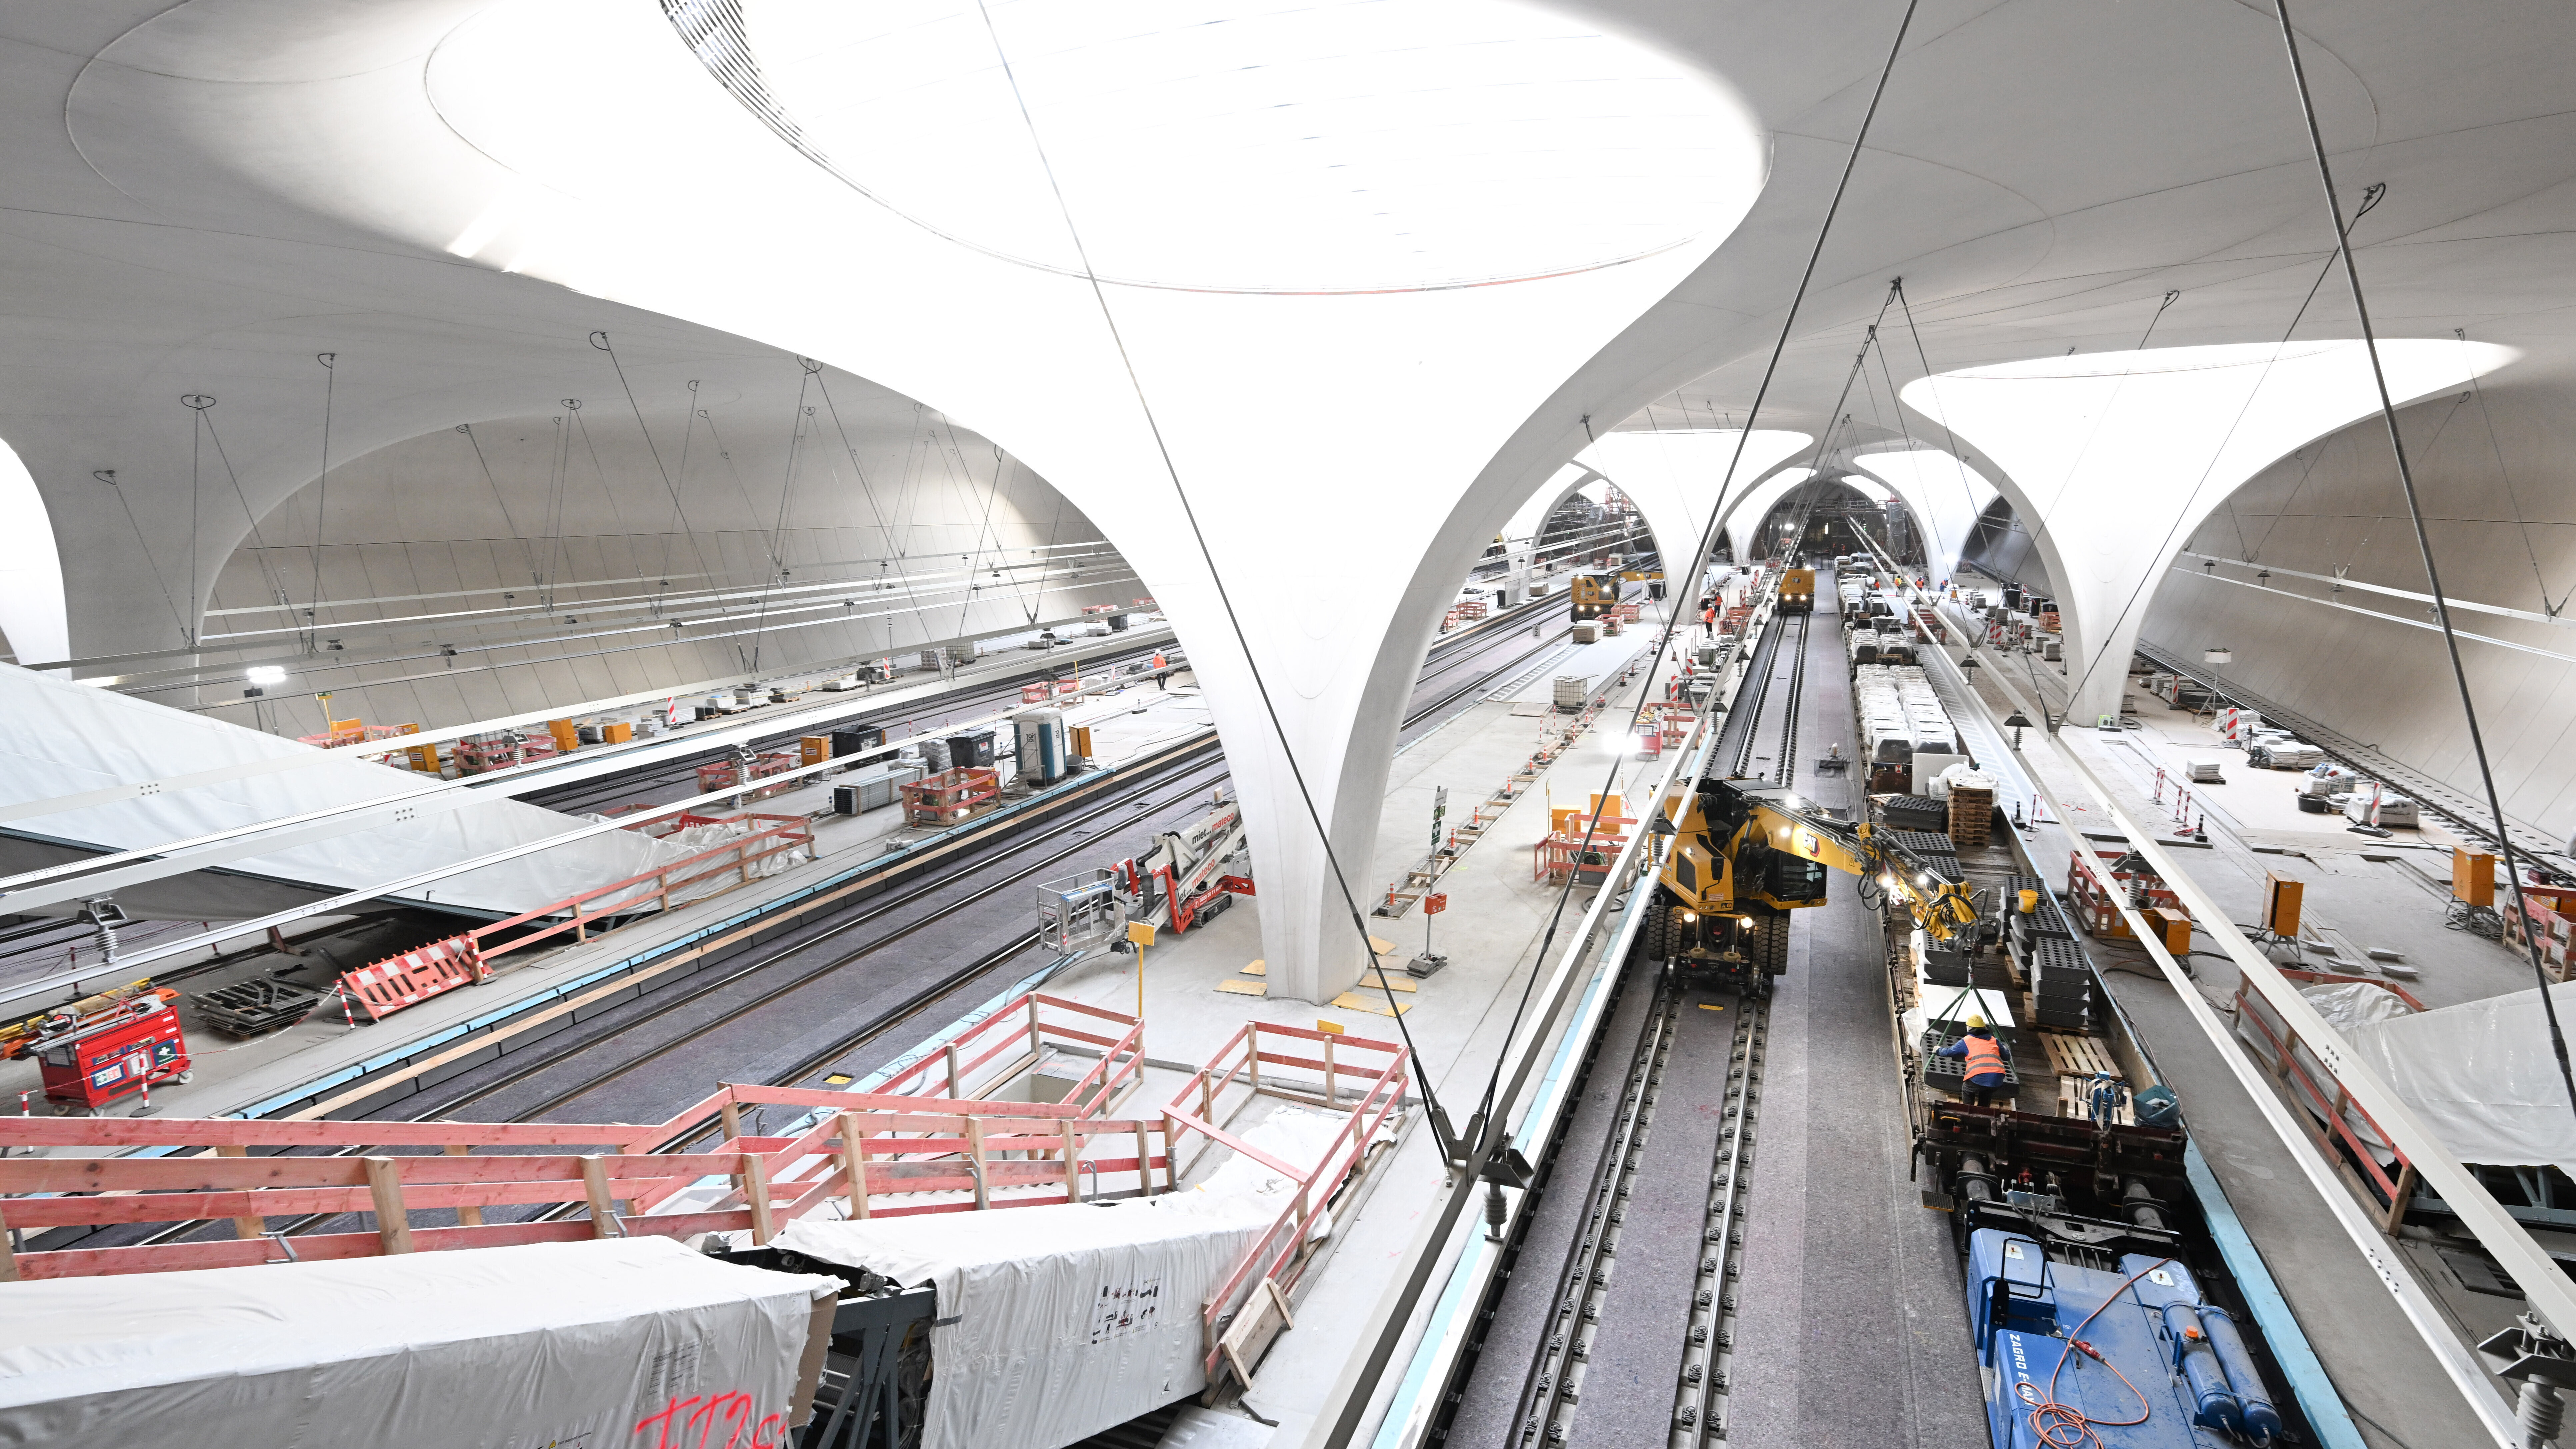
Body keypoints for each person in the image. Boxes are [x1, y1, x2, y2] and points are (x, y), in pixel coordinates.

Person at [1937, 1015, 2012, 1107]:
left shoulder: (1967, 1041)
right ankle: (1983, 1114)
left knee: (1967, 1091)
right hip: (1997, 1079)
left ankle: (1969, 1111)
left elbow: (1949, 1053)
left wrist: (1937, 1050)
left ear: (1969, 1028)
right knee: (1986, 1092)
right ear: (1984, 1027)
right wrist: (2005, 1048)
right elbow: (2007, 1057)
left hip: (1978, 1076)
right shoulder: (1994, 1040)